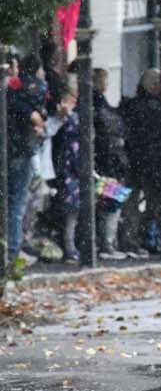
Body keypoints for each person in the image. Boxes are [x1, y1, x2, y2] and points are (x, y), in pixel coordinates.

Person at [121, 68, 161, 255]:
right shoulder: (159, 109)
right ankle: (146, 236)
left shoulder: (131, 106)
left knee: (131, 203)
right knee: (154, 203)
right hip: (152, 163)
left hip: (134, 160)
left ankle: (132, 238)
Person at [5, 56, 47, 263]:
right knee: (17, 202)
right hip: (19, 151)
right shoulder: (16, 92)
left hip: (14, 150)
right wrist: (33, 114)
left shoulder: (13, 92)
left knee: (13, 201)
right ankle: (12, 250)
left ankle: (11, 247)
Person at [90, 68, 132, 260]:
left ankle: (107, 241)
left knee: (109, 201)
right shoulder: (98, 103)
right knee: (112, 202)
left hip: (107, 159)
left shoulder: (98, 102)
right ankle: (107, 243)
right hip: (108, 160)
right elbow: (110, 125)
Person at [45, 78, 82, 263]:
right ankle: (69, 246)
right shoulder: (66, 116)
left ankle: (70, 244)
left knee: (72, 209)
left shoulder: (73, 116)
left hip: (70, 166)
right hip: (68, 167)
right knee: (70, 210)